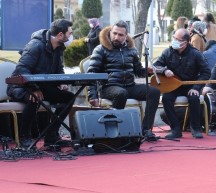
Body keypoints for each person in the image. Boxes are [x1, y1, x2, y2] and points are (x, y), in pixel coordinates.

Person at [87, 20, 160, 141]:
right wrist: (92, 96)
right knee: (121, 93)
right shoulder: (100, 49)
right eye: (114, 33)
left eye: (120, 35)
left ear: (126, 36)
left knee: (154, 92)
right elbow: (91, 74)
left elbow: (138, 71)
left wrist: (148, 71)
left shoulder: (131, 50)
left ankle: (145, 129)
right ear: (110, 32)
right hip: (109, 87)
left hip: (129, 86)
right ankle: (115, 130)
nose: (116, 37)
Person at [7, 19, 76, 148]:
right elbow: (22, 69)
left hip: (42, 87)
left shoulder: (59, 48)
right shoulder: (35, 45)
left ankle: (52, 136)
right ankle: (24, 137)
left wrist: (61, 83)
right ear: (60, 35)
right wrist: (34, 88)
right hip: (20, 87)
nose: (71, 36)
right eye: (70, 33)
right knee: (35, 97)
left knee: (69, 97)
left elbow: (59, 69)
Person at [153, 28, 211, 139]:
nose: (174, 40)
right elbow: (155, 66)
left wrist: (196, 87)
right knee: (166, 98)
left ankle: (195, 127)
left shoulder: (196, 54)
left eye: (177, 39)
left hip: (190, 85)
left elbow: (206, 72)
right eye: (174, 37)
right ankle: (175, 129)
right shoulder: (167, 52)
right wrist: (164, 71)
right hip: (173, 85)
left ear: (185, 43)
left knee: (194, 98)